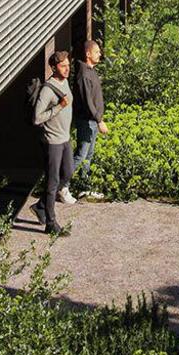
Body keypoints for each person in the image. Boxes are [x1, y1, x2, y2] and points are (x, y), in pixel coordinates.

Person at [31, 51, 75, 236]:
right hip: (52, 141)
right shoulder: (48, 90)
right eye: (63, 66)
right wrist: (58, 107)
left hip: (65, 138)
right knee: (52, 181)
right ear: (54, 67)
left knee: (69, 171)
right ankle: (51, 223)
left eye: (68, 65)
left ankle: (41, 205)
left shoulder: (64, 82)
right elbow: (37, 118)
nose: (67, 69)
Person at [69, 39, 106, 200]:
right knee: (81, 155)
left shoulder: (91, 71)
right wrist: (99, 120)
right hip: (87, 121)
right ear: (88, 54)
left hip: (92, 121)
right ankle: (59, 185)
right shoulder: (83, 74)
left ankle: (83, 187)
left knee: (88, 155)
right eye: (97, 51)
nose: (100, 54)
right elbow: (87, 101)